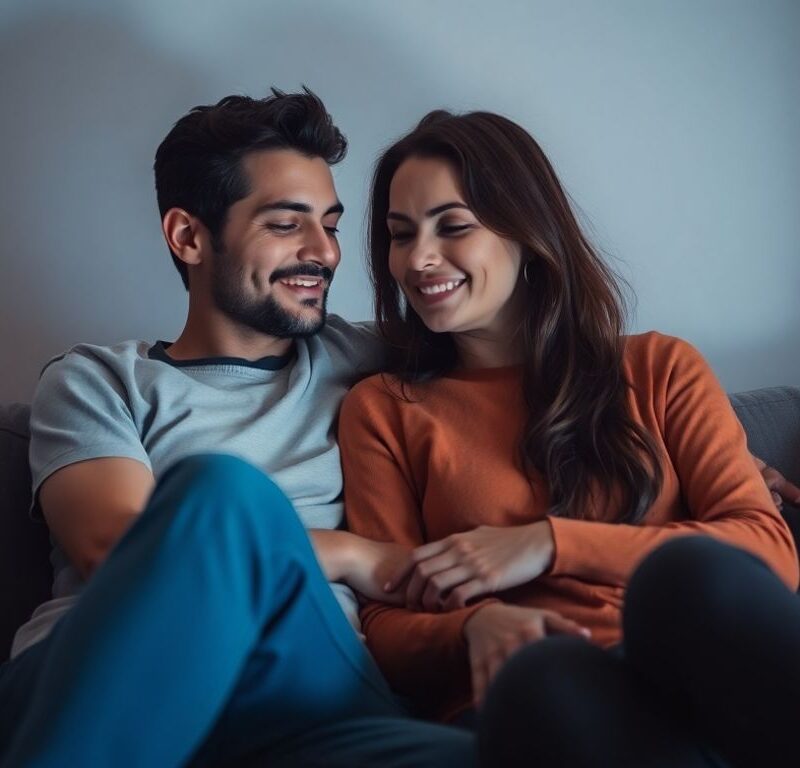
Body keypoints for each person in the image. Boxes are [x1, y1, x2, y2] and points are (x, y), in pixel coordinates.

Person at [0, 91, 475, 767]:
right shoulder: (98, 381)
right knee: (223, 495)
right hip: (99, 673)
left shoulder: (373, 361)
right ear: (188, 236)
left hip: (304, 693)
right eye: (287, 225)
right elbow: (123, 550)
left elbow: (514, 340)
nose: (325, 253)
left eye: (331, 226)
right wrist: (356, 555)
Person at [338, 108, 800, 767]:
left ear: (526, 231)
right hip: (538, 695)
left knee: (686, 574)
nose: (419, 258)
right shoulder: (384, 408)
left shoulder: (659, 367)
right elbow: (386, 623)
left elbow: (768, 552)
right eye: (399, 234)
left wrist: (548, 544)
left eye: (453, 226)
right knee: (545, 675)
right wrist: (474, 625)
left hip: (693, 670)